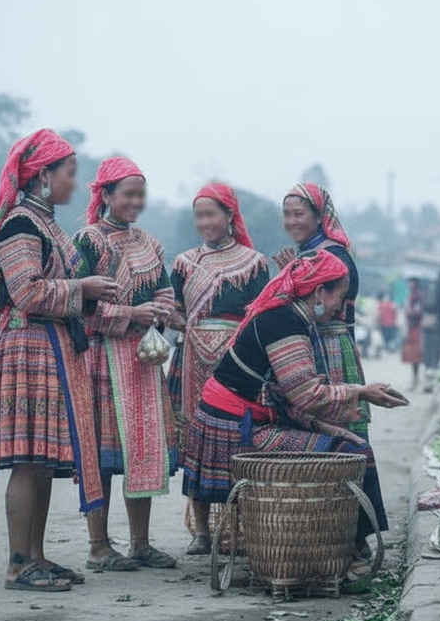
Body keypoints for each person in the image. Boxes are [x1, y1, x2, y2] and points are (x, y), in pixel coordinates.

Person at [182, 250, 408, 556]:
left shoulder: (287, 316)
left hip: (243, 416)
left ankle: (350, 542)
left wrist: (332, 417)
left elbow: (290, 394)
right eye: (338, 298)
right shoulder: (284, 323)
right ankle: (350, 545)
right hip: (238, 429)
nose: (340, 308)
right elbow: (307, 396)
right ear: (318, 292)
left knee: (347, 440)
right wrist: (361, 392)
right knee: (351, 451)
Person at [0, 129, 120, 592]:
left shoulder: (45, 223)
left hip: (50, 346)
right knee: (27, 459)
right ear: (43, 176)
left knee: (39, 460)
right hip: (30, 347)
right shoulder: (21, 223)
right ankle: (19, 563)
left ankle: (36, 556)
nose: (75, 184)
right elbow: (27, 291)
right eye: (70, 173)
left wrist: (90, 292)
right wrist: (83, 289)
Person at [73, 157, 179, 571]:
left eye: (140, 194)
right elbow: (78, 306)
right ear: (107, 196)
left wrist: (161, 312)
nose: (136, 201)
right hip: (101, 357)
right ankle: (98, 546)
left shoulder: (151, 244)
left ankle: (140, 543)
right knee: (101, 454)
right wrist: (129, 315)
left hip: (142, 361)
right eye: (128, 194)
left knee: (143, 449)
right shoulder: (88, 241)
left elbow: (165, 289)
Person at [276, 182, 390, 557]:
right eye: (288, 214)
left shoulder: (331, 256)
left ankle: (354, 537)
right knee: (318, 436)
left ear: (319, 216)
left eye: (300, 214)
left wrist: (287, 280)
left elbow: (316, 307)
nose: (292, 221)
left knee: (340, 436)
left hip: (328, 349)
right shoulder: (309, 252)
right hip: (314, 345)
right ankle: (325, 531)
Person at [166, 182, 269, 554]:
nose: (205, 222)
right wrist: (177, 320)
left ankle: (238, 528)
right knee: (196, 440)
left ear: (229, 216)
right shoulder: (183, 263)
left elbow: (259, 315)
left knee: (236, 441)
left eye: (212, 214)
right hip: (191, 357)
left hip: (236, 365)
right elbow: (173, 308)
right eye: (199, 216)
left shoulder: (254, 263)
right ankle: (201, 532)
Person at [401, 277, 424, 389]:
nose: (410, 284)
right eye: (409, 282)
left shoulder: (418, 296)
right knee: (413, 356)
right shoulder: (410, 296)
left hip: (417, 329)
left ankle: (417, 379)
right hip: (411, 328)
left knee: (416, 356)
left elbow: (418, 311)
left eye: (412, 282)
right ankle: (415, 378)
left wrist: (410, 312)